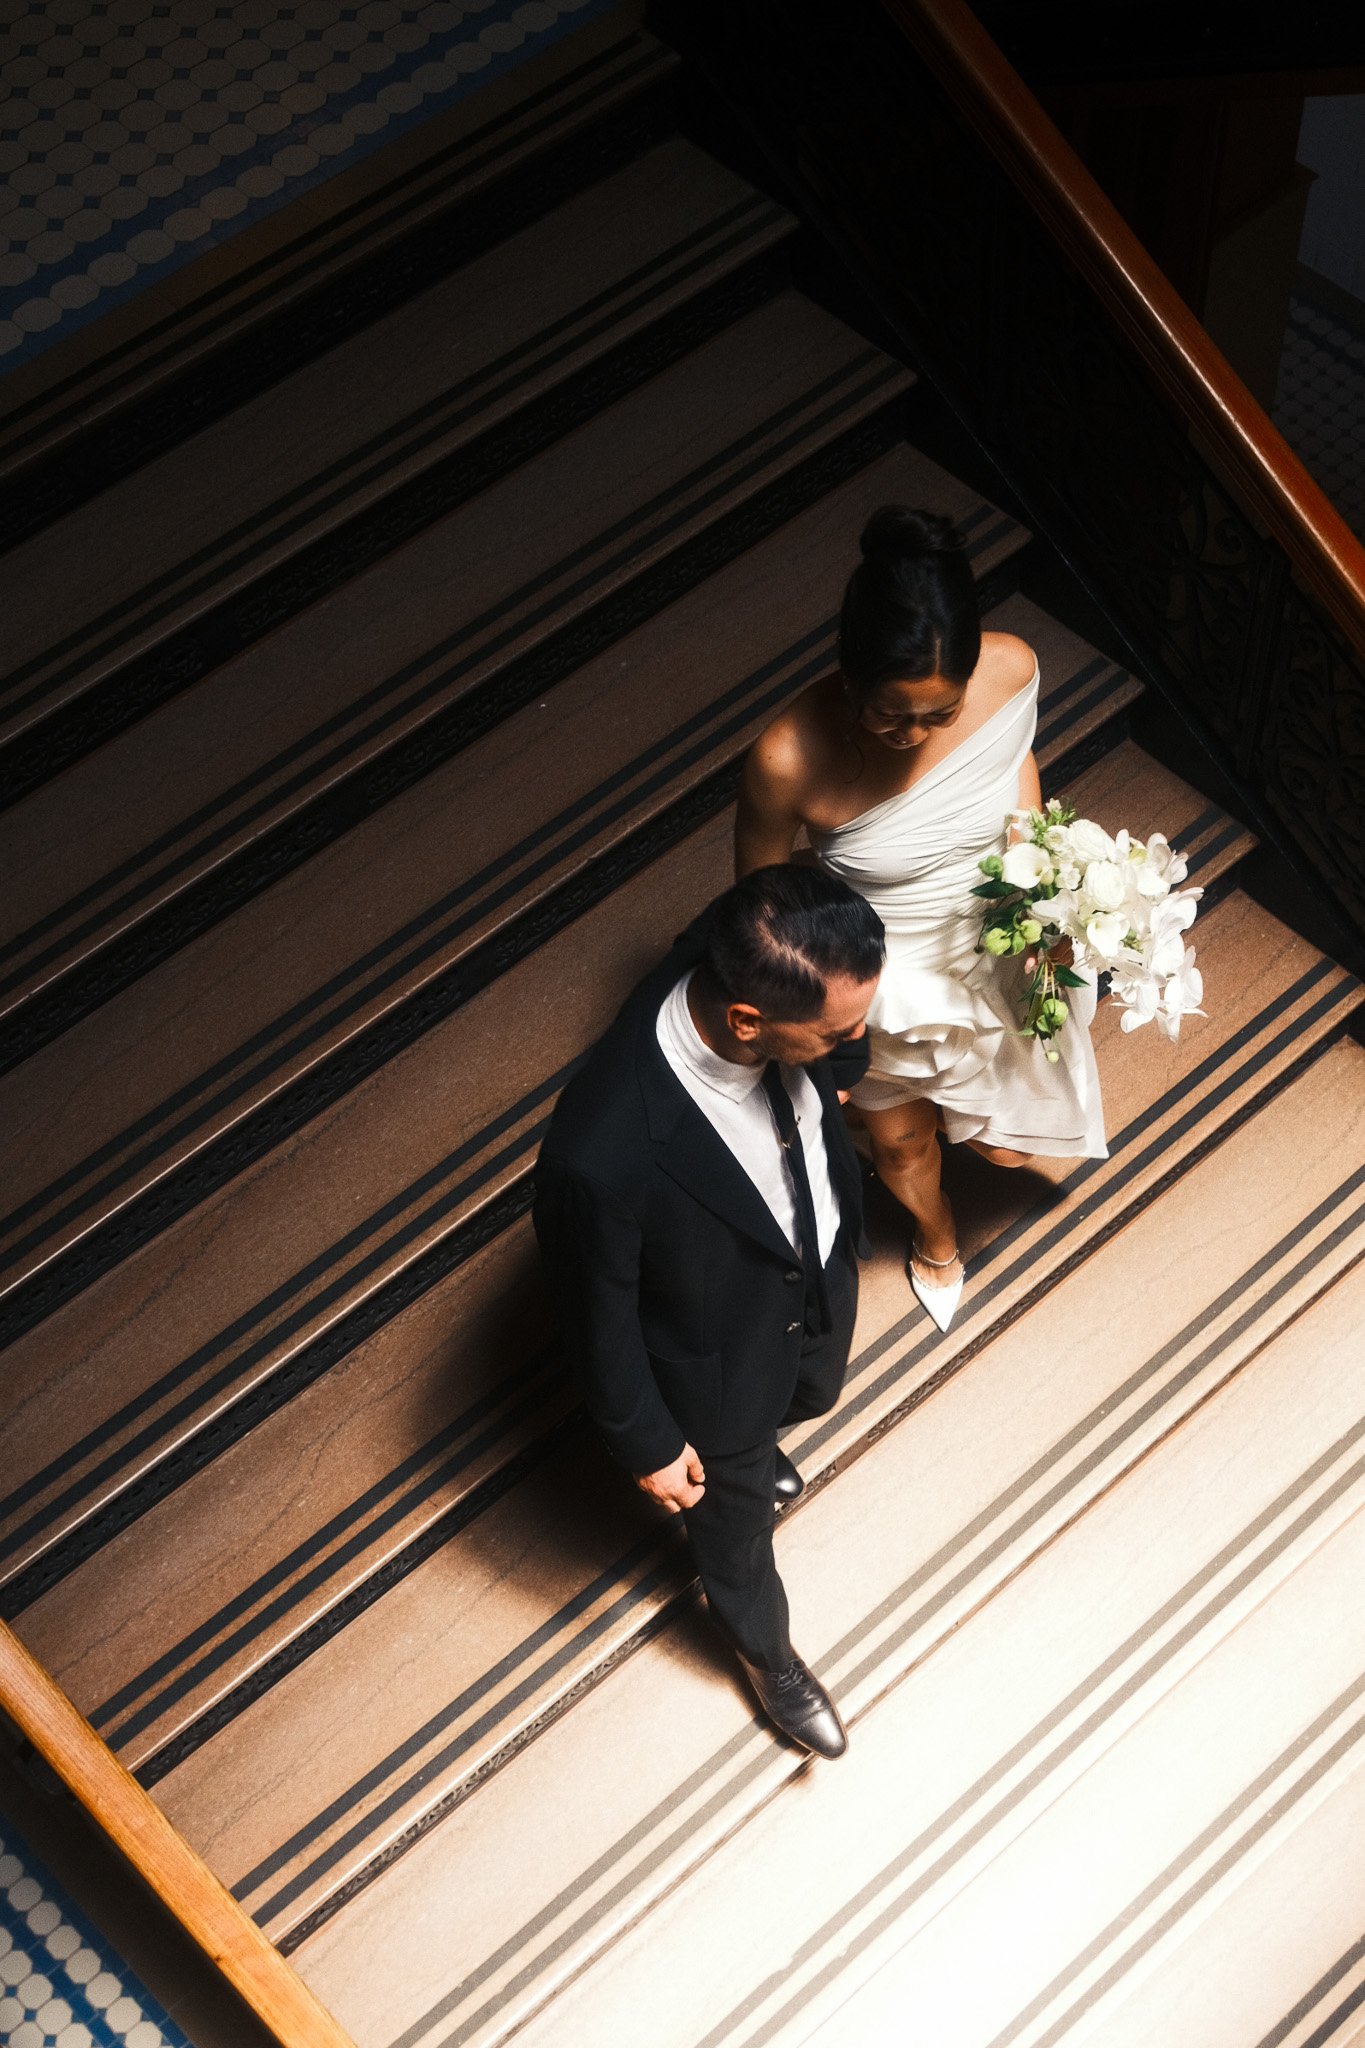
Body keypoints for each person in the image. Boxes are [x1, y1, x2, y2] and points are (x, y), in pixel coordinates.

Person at [533, 866, 885, 1757]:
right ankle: (765, 1653)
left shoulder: (746, 946)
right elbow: (596, 1312)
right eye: (838, 1033)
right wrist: (647, 1441)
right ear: (745, 1023)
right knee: (734, 1533)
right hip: (710, 1360)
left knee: (811, 1392)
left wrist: (832, 1068)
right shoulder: (602, 1153)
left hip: (811, 1270)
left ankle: (768, 1439)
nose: (858, 1040)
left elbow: (836, 1036)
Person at [736, 506, 1107, 1333]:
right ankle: (937, 1237)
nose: (912, 736)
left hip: (998, 936)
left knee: (1010, 1132)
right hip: (883, 981)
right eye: (888, 715)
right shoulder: (784, 758)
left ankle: (977, 1129)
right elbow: (762, 912)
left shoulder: (1010, 669)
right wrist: (811, 1042)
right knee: (902, 1145)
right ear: (849, 671)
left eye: (939, 716)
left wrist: (1039, 891)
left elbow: (1016, 772)